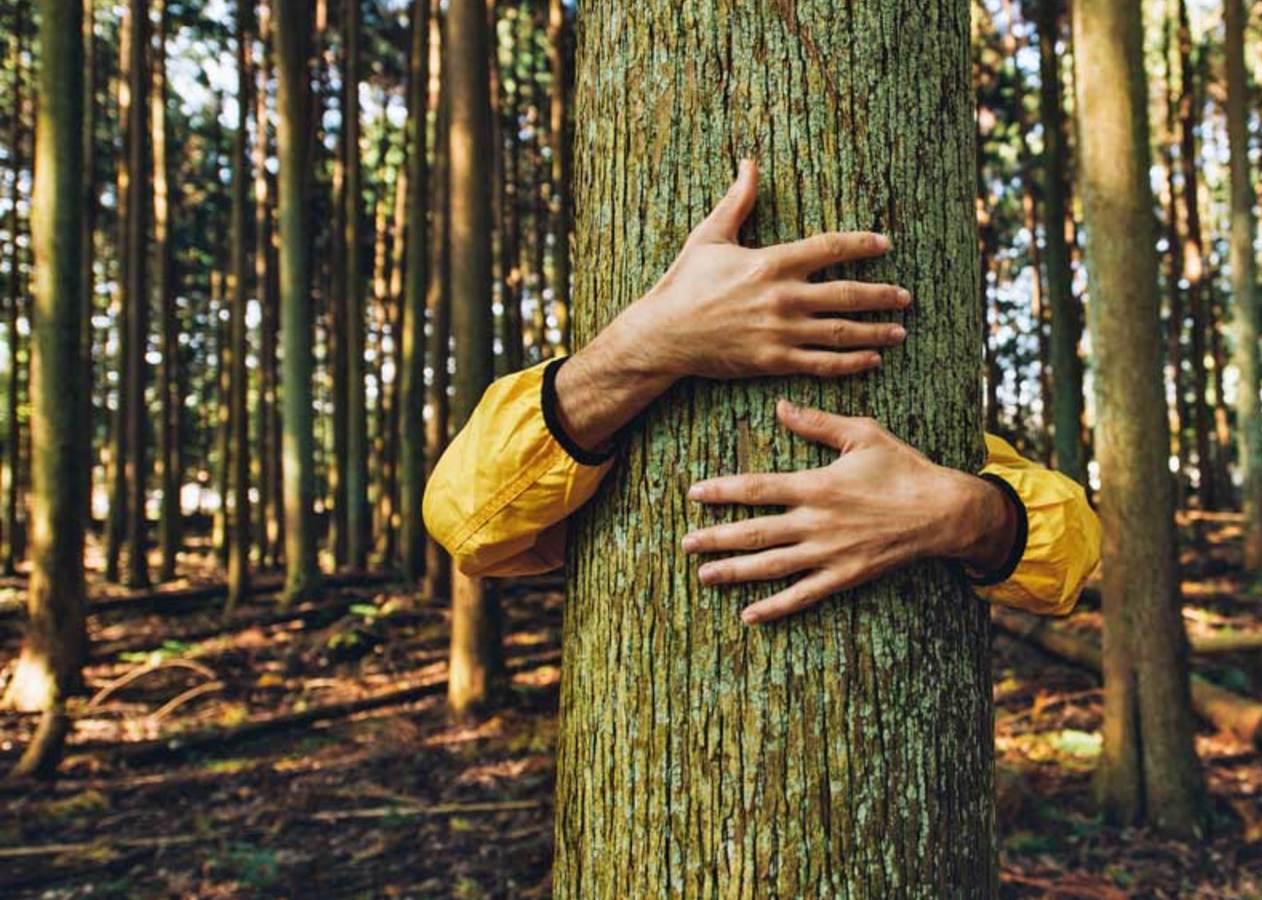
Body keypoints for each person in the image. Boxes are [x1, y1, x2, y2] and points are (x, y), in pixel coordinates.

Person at [423, 161, 1100, 624]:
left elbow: (1071, 551)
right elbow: (466, 522)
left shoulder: (925, 435)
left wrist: (964, 512)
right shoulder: (610, 419)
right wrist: (646, 345)